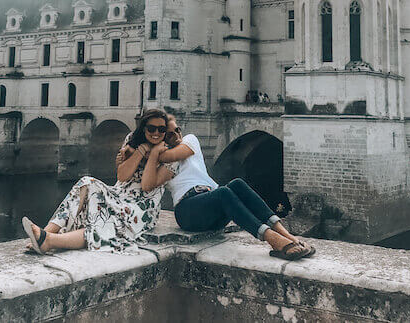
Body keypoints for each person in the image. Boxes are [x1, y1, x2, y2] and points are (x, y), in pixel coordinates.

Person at [118, 116, 315, 260]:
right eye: (169, 134)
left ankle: (288, 236)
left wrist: (148, 152)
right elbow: (147, 184)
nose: (176, 135)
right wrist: (141, 155)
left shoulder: (189, 141)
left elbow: (171, 155)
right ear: (162, 137)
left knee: (236, 184)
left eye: (177, 130)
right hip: (188, 212)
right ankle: (273, 240)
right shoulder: (163, 165)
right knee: (223, 192)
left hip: (212, 206)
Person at [22, 109, 177, 255]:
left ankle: (48, 241)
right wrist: (141, 150)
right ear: (144, 129)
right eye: (151, 128)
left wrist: (154, 153)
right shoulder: (132, 140)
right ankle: (47, 232)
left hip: (141, 207)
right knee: (86, 182)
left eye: (161, 129)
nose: (156, 133)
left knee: (104, 222)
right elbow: (122, 176)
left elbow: (147, 186)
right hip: (119, 194)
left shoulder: (171, 155)